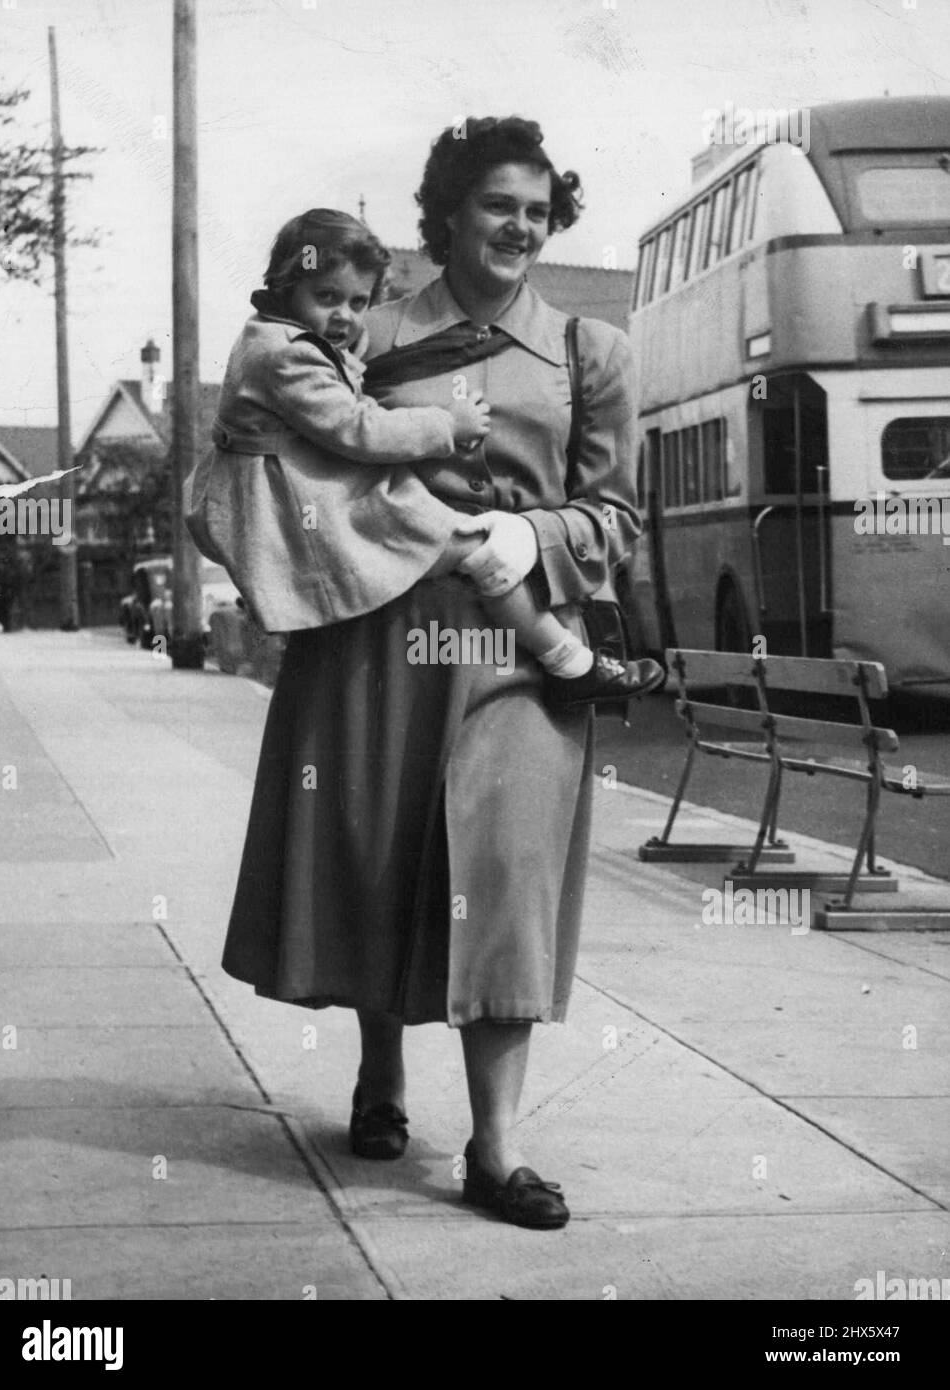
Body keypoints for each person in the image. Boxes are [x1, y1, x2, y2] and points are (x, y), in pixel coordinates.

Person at [222, 116, 647, 1230]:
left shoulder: (587, 353)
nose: (521, 225)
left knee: (502, 877)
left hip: (515, 643)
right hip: (379, 633)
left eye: (539, 209)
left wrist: (542, 538)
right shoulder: (360, 330)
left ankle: (496, 1149)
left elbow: (617, 518)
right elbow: (284, 450)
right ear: (449, 212)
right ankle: (380, 1077)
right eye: (498, 204)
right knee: (381, 857)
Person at [193, 207, 661, 706]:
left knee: (468, 549)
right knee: (482, 549)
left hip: (301, 487)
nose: (345, 317)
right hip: (307, 498)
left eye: (358, 301)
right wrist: (447, 425)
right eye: (326, 297)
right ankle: (570, 663)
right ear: (287, 287)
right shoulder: (288, 354)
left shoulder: (276, 337)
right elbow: (357, 426)